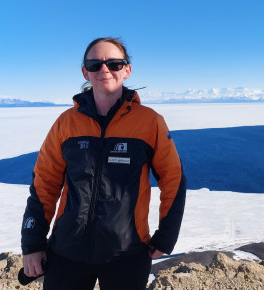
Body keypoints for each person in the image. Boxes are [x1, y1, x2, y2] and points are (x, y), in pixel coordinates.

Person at [21, 37, 186, 290]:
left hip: (127, 253)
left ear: (127, 70)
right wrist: (32, 244)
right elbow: (45, 183)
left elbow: (173, 178)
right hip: (66, 251)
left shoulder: (150, 122)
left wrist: (167, 235)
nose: (104, 70)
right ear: (85, 72)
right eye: (95, 64)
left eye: (114, 63)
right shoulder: (66, 123)